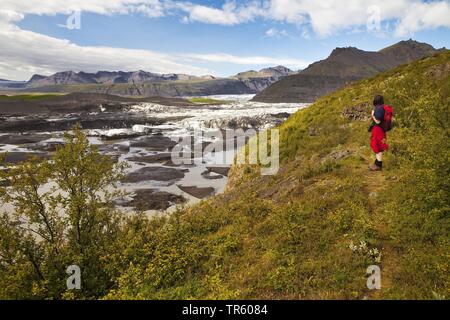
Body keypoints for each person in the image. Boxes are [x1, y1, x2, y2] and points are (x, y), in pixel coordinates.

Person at [369, 95, 389, 171]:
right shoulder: (383, 107)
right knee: (380, 145)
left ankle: (378, 165)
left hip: (378, 130)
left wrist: (372, 115)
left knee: (377, 146)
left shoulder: (378, 109)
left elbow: (378, 121)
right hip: (382, 130)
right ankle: (377, 163)